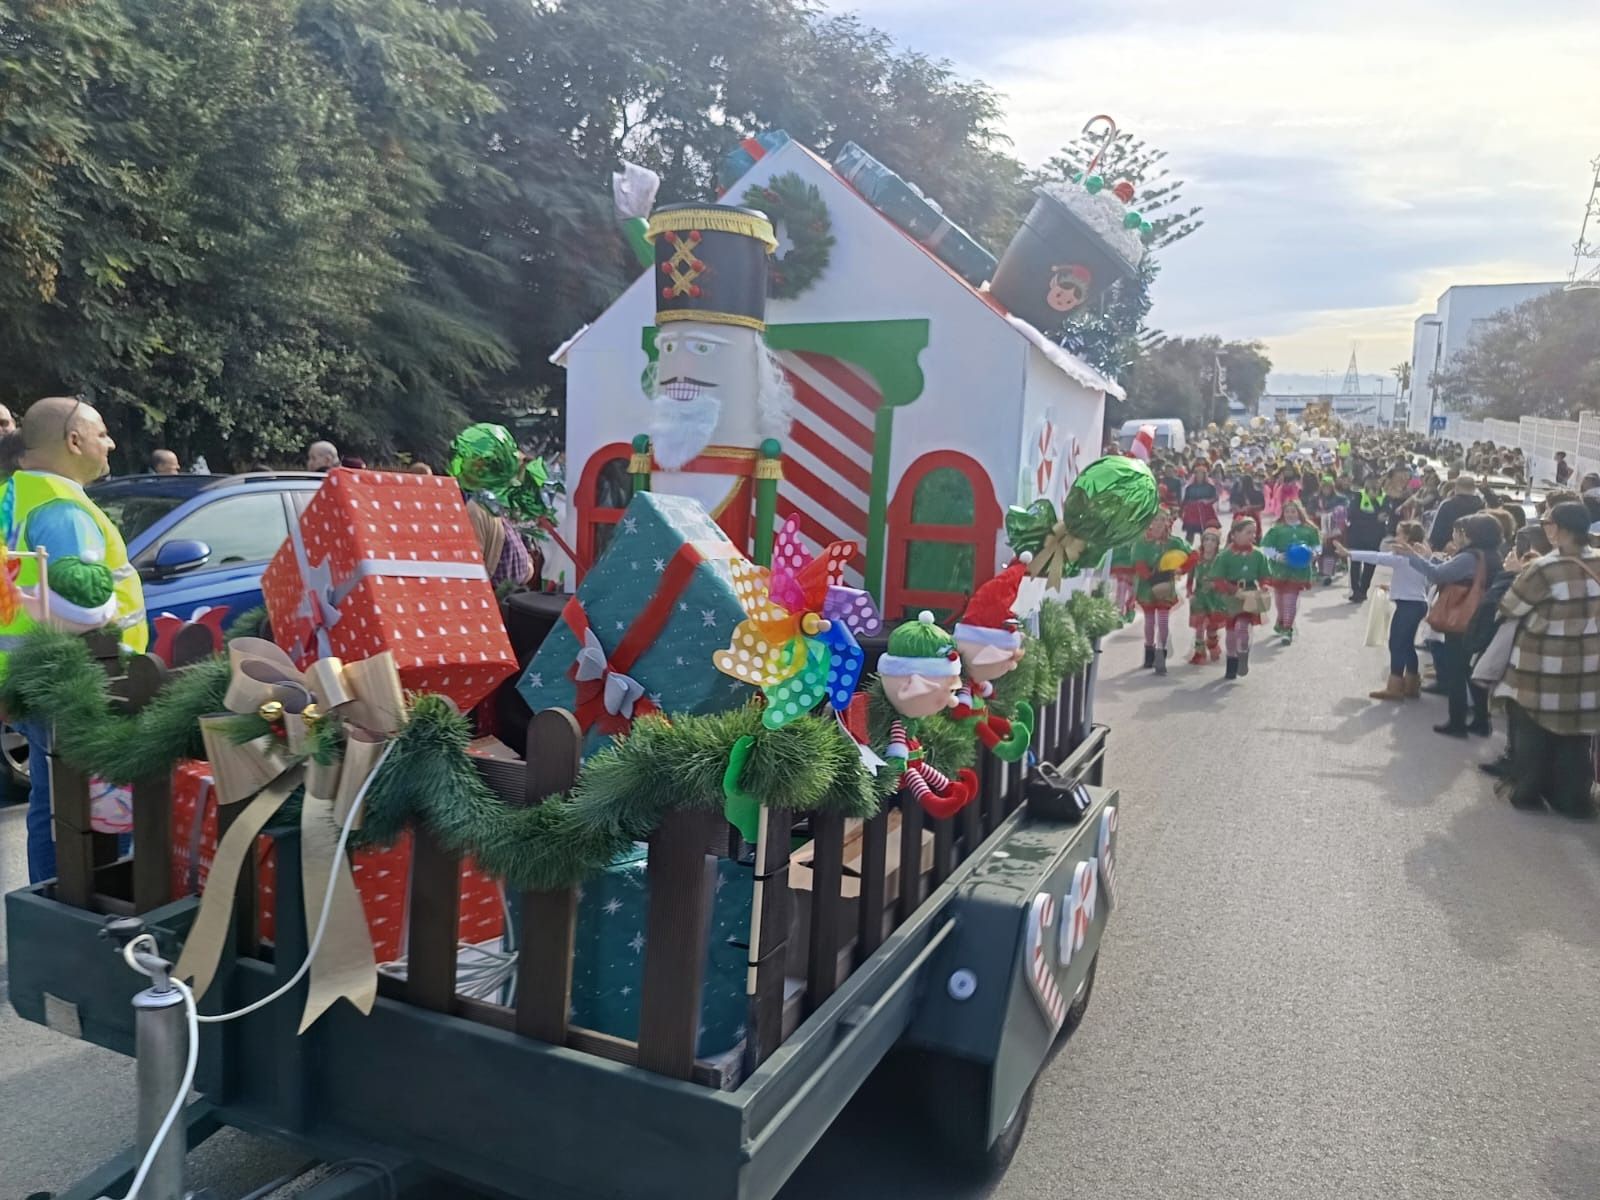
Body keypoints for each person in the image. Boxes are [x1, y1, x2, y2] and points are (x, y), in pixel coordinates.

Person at [0, 397, 148, 883]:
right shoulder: (63, 509)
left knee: (51, 805)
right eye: (102, 432)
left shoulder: (14, 497)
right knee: (99, 809)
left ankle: (47, 901)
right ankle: (96, 907)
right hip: (85, 681)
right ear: (74, 440)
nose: (111, 443)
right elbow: (83, 607)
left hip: (34, 679)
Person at [1494, 502, 1600, 816]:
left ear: (1558, 529)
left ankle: (1527, 791)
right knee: (1575, 734)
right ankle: (1572, 799)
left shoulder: (1542, 568)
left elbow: (1510, 606)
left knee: (1532, 730)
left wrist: (1515, 572)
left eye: (1546, 522)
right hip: (1588, 666)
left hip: (1541, 665)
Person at [1397, 513, 1503, 738]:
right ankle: (1481, 722)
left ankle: (1457, 722)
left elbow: (1438, 575)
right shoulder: (1493, 555)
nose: (1459, 535)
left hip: (1463, 619)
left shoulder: (1470, 557)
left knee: (1457, 672)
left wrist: (1413, 557)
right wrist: (1429, 558)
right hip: (1483, 618)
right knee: (1473, 672)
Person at [1341, 520, 1429, 700]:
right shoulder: (1421, 555)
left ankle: (1395, 686)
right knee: (1407, 644)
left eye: (1399, 534)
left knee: (1396, 644)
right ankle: (1411, 683)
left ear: (1408, 537)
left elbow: (1377, 557)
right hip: (1417, 603)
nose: (1396, 537)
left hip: (1408, 605)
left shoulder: (1404, 557)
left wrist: (1350, 553)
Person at [1131, 510, 1194, 675]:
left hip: (1166, 586)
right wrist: (1152, 579)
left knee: (1163, 621)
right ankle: (1149, 651)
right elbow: (1139, 564)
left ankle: (1161, 652)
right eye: (1155, 520)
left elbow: (1193, 556)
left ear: (1167, 522)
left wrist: (1181, 569)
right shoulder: (1141, 543)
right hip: (1147, 586)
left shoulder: (1174, 542)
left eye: (1162, 520)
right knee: (1150, 621)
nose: (1158, 523)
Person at [1211, 516, 1270, 681]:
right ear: (1234, 534)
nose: (1252, 536)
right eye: (1248, 532)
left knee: (1242, 628)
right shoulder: (1225, 556)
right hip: (1230, 596)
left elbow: (1265, 575)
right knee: (1231, 634)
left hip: (1250, 595)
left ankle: (1243, 653)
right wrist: (1233, 590)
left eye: (1254, 532)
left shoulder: (1258, 554)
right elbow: (1217, 579)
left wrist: (1264, 586)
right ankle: (1231, 663)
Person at [1260, 499, 1320, 643]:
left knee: (1290, 599)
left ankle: (1287, 629)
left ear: (1299, 512)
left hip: (1299, 570)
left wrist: (1314, 554)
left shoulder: (1309, 529)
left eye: (1293, 511)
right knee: (1280, 600)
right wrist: (1277, 556)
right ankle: (1281, 620)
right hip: (1279, 569)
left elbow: (1317, 546)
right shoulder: (1277, 529)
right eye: (1287, 511)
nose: (1290, 514)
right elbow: (1266, 547)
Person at [1344, 473, 1390, 602]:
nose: (1374, 484)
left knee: (1370, 565)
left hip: (1375, 536)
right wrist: (1374, 517)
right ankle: (1356, 591)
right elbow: (1352, 514)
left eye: (1376, 482)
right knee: (1355, 563)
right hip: (1357, 535)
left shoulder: (1384, 497)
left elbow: (1385, 514)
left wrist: (1373, 517)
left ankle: (1363, 590)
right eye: (1371, 482)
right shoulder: (1358, 496)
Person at [1185, 527, 1227, 665]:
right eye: (1206, 539)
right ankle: (1199, 653)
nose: (1209, 543)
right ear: (1202, 541)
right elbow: (1190, 576)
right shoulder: (1196, 558)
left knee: (1212, 628)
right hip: (1199, 598)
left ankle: (1213, 644)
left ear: (1217, 543)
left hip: (1216, 598)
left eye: (1213, 540)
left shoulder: (1220, 559)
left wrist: (1216, 585)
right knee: (1200, 626)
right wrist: (1189, 592)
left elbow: (1225, 578)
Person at [1179, 464, 1220, 543]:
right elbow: (1185, 500)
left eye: (1201, 473)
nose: (1199, 475)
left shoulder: (1210, 487)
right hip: (1192, 513)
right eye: (1197, 473)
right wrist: (1181, 512)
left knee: (1205, 532)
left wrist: (1207, 501)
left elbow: (1215, 498)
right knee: (1190, 533)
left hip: (1206, 512)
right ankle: (1188, 548)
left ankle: (1205, 548)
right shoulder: (1190, 488)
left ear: (1205, 475)